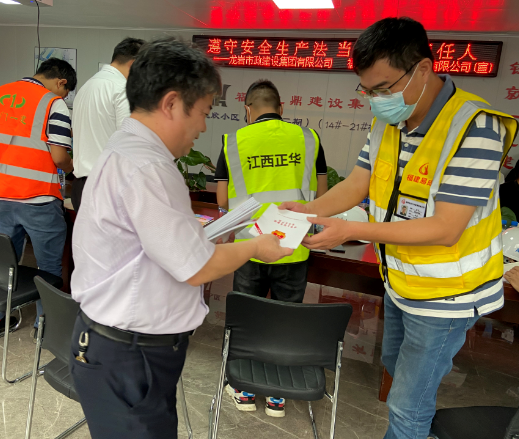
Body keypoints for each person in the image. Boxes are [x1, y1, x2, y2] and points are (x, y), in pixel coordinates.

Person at [279, 17, 518, 439]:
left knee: (408, 406)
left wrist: (350, 232)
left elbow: (446, 228)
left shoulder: (476, 127)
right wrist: (309, 210)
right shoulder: (389, 121)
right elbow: (358, 183)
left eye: (383, 88)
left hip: (446, 295)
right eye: (367, 91)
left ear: (423, 69)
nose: (375, 100)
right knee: (395, 375)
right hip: (400, 283)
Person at [69, 38, 292, 439]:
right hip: (130, 354)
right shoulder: (149, 166)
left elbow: (148, 241)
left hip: (121, 347)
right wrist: (257, 246)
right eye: (204, 112)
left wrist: (197, 235)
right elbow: (197, 268)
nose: (204, 126)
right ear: (172, 104)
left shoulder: (124, 148)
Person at [214, 79, 326, 417]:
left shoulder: (234, 141)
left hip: (250, 246)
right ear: (281, 108)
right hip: (295, 246)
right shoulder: (309, 138)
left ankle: (243, 388)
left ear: (247, 110)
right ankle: (278, 394)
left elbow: (223, 199)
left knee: (246, 317)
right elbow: (321, 194)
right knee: (285, 318)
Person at [0, 58, 76, 338]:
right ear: (61, 82)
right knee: (49, 266)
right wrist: (72, 167)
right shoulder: (53, 103)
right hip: (38, 196)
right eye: (66, 91)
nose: (64, 96)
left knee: (6, 260)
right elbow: (59, 156)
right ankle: (45, 326)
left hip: (1, 194)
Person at [71, 37, 145, 212]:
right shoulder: (122, 89)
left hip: (81, 187)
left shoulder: (87, 86)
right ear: (134, 64)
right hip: (105, 188)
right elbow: (130, 143)